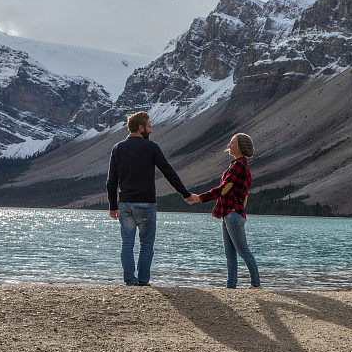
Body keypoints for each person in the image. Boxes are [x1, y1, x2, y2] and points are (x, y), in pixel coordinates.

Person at [106, 111, 199, 286]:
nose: (151, 130)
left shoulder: (117, 148)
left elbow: (111, 181)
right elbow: (169, 172)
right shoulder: (152, 147)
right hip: (146, 204)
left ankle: (129, 281)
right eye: (149, 127)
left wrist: (113, 206)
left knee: (127, 244)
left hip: (125, 204)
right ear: (141, 128)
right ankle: (142, 281)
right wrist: (186, 194)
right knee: (146, 245)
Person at [187, 133, 260, 288]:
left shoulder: (239, 165)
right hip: (230, 213)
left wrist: (199, 198)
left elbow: (223, 188)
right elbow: (244, 196)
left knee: (242, 251)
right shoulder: (239, 165)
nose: (229, 145)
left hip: (233, 214)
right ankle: (231, 286)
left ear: (240, 146)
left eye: (232, 143)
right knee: (230, 254)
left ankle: (255, 284)